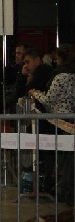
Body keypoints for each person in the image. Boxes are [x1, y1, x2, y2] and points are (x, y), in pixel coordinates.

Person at [28, 44, 75, 205]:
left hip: (59, 121)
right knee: (68, 160)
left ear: (59, 58)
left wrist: (36, 93)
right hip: (71, 120)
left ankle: (62, 191)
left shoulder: (60, 76)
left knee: (61, 159)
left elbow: (49, 100)